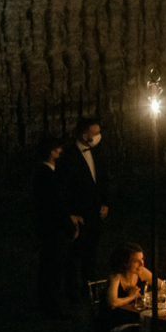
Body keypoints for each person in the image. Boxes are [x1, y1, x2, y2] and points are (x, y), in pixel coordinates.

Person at [59, 117, 110, 289]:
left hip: (95, 214)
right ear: (84, 135)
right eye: (94, 133)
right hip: (79, 215)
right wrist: (70, 213)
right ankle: (72, 291)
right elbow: (64, 188)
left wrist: (105, 203)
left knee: (92, 253)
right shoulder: (68, 156)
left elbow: (103, 180)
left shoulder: (98, 152)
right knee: (74, 255)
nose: (98, 136)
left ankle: (90, 287)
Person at [34, 136, 75, 316]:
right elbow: (56, 205)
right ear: (52, 153)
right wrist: (69, 224)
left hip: (49, 228)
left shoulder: (44, 174)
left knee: (50, 266)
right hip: (54, 230)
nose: (60, 153)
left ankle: (49, 302)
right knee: (54, 267)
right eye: (58, 150)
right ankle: (52, 305)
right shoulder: (48, 176)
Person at [102, 243, 159, 332]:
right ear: (125, 263)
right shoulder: (116, 276)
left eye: (142, 259)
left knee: (156, 330)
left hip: (135, 321)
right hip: (115, 325)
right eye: (136, 261)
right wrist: (132, 296)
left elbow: (165, 287)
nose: (142, 263)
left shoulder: (141, 271)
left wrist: (146, 297)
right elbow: (112, 303)